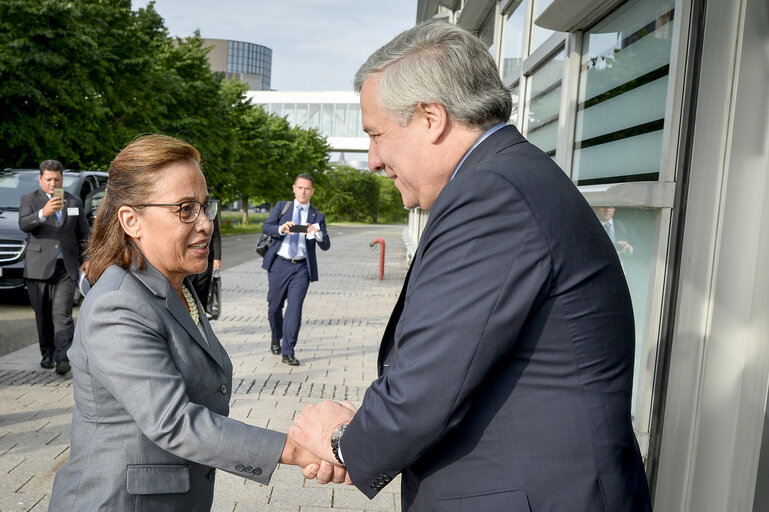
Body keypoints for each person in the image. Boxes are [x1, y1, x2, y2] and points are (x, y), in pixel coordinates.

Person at [289, 21, 652, 511]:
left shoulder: (490, 195)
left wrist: (339, 439)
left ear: (431, 118)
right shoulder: (507, 178)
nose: (373, 160)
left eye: (376, 135)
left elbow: (425, 388)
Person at [49, 135, 345, 511]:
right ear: (131, 220)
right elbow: (173, 421)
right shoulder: (118, 305)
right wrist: (297, 449)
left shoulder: (175, 285)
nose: (205, 223)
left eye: (205, 207)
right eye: (185, 209)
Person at [18, 159, 90, 375]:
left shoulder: (74, 201)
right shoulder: (29, 199)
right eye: (48, 179)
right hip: (38, 267)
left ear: (62, 179)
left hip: (66, 268)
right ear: (41, 179)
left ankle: (63, 357)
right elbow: (24, 224)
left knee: (63, 314)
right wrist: (43, 213)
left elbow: (85, 234)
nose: (53, 183)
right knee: (43, 315)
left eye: (57, 179)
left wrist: (87, 258)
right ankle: (47, 353)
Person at [261, 174, 330, 366]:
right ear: (294, 188)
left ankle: (288, 351)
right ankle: (276, 337)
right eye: (300, 188)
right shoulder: (283, 207)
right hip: (279, 264)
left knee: (294, 309)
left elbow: (326, 245)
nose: (303, 192)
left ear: (312, 191)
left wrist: (316, 234)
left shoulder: (317, 216)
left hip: (301, 268)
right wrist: (281, 228)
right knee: (274, 306)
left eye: (307, 189)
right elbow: (266, 227)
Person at [190, 203, 221, 316]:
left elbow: (216, 236)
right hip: (192, 256)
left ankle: (202, 314)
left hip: (208, 256)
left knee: (204, 288)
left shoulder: (211, 211)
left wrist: (217, 257)